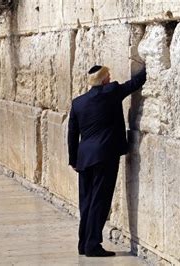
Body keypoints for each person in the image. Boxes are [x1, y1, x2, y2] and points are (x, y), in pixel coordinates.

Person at [67, 65, 146, 257]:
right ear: (103, 80)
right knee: (100, 202)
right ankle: (93, 246)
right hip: (105, 156)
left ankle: (83, 243)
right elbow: (134, 84)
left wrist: (73, 159)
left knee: (86, 202)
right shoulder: (111, 92)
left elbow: (72, 133)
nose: (110, 78)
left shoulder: (78, 103)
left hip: (84, 158)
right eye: (108, 75)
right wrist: (148, 65)